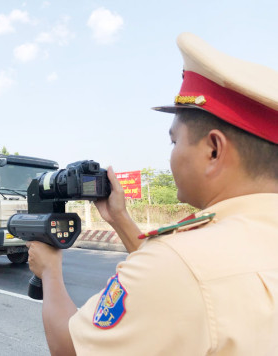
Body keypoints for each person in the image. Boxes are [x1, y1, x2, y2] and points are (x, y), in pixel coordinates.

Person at [26, 32, 278, 355]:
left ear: (213, 150)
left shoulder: (178, 266)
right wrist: (119, 217)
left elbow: (68, 346)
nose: (170, 156)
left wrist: (49, 271)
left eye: (174, 142)